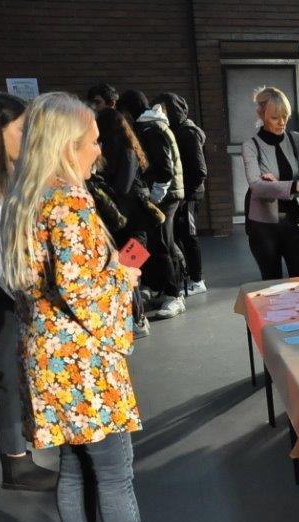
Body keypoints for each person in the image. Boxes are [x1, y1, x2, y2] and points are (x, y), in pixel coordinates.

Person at [0, 92, 201, 522]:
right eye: (91, 141)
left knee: (74, 464)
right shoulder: (66, 201)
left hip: (47, 357)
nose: (99, 150)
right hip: (81, 362)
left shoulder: (24, 197)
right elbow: (84, 293)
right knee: (113, 470)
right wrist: (126, 272)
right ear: (67, 145)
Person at [0, 91, 57, 490]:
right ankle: (15, 462)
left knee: (14, 372)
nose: (28, 137)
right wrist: (37, 296)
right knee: (8, 372)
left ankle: (19, 455)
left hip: (3, 291)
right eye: (21, 129)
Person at [117, 89, 186, 319]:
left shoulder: (151, 128)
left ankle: (175, 295)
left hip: (165, 196)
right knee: (159, 244)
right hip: (164, 194)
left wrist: (154, 197)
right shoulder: (151, 125)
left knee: (164, 244)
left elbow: (165, 170)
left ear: (129, 111)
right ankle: (165, 289)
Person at [241, 86, 299, 281]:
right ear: (261, 115)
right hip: (263, 225)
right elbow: (256, 186)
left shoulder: (296, 140)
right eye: (275, 117)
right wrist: (293, 186)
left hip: (293, 219)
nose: (282, 122)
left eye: (285, 116)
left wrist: (282, 185)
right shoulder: (250, 145)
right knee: (272, 282)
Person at [95, 107, 160, 337]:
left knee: (127, 272)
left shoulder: (121, 152)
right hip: (134, 222)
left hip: (129, 221)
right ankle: (136, 319)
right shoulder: (128, 150)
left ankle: (138, 320)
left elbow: (122, 187)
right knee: (128, 272)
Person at [154, 93, 207, 295]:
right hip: (182, 193)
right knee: (179, 235)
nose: (160, 113)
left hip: (191, 194)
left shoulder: (188, 132)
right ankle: (186, 276)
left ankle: (197, 280)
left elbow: (200, 170)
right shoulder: (174, 131)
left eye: (163, 109)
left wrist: (187, 195)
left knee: (189, 235)